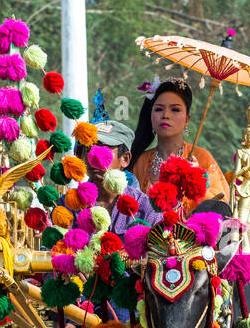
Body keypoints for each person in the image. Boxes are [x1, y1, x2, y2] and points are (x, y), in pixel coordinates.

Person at [128, 78, 229, 215]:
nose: (165, 115)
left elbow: (220, 206)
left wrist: (198, 182)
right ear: (150, 116)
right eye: (158, 109)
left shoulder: (202, 158)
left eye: (175, 109)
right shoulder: (139, 162)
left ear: (187, 119)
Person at [77, 93, 161, 237]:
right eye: (89, 148)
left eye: (105, 149)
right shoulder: (71, 204)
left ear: (125, 159)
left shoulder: (145, 208)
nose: (94, 156)